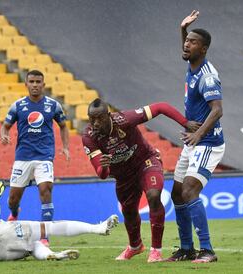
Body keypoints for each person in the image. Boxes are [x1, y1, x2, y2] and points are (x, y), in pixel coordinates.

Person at [82, 98, 200, 262]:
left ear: (108, 115)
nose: (95, 123)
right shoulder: (89, 137)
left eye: (99, 118)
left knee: (153, 195)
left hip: (145, 162)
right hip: (123, 175)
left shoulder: (125, 119)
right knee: (128, 211)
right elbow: (102, 174)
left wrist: (185, 122)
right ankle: (135, 246)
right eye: (91, 119)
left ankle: (156, 251)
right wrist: (105, 166)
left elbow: (160, 107)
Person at [166, 10, 225, 263]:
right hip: (195, 141)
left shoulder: (207, 76)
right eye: (186, 40)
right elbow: (185, 51)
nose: (187, 45)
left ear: (204, 49)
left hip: (209, 143)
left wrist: (198, 134)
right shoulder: (193, 61)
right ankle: (186, 249)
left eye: (192, 42)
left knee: (190, 190)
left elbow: (218, 110)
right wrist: (182, 29)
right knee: (177, 193)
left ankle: (207, 251)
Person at [0, 70, 70, 244]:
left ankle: (44, 235)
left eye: (38, 82)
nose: (35, 85)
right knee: (12, 199)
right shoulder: (18, 106)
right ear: (26, 84)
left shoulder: (53, 106)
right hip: (22, 157)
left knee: (46, 190)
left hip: (44, 156)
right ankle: (15, 213)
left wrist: (66, 147)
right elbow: (6, 126)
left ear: (43, 85)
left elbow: (63, 126)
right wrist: (4, 134)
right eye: (31, 81)